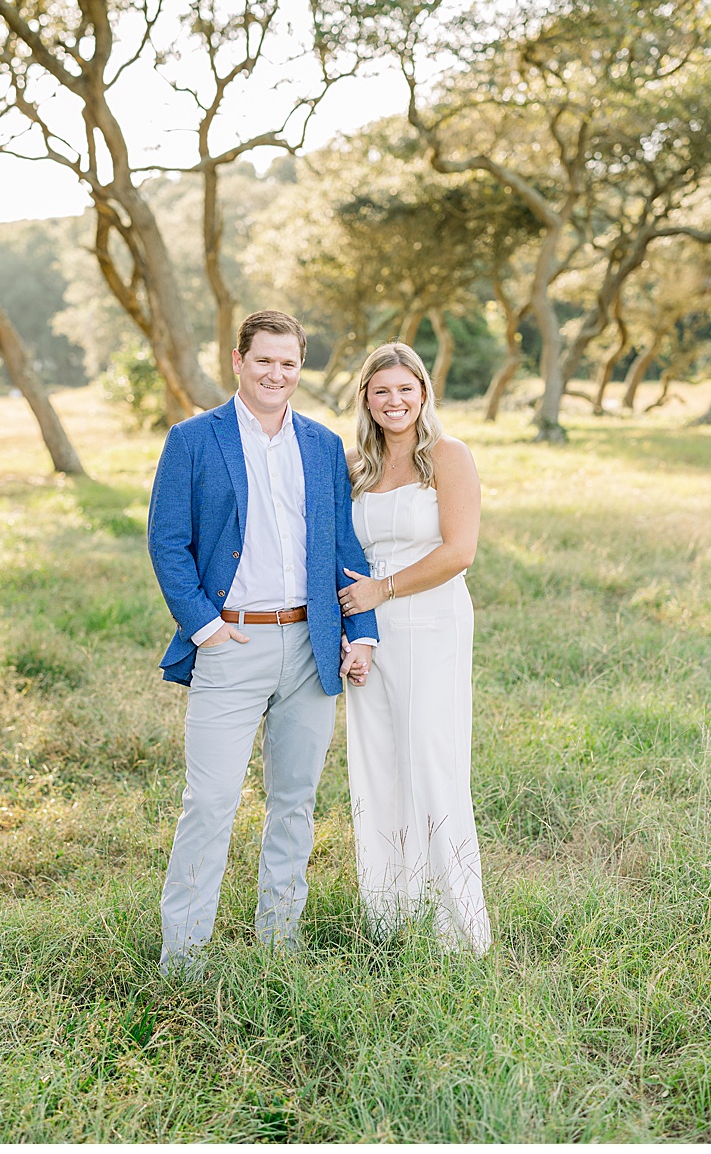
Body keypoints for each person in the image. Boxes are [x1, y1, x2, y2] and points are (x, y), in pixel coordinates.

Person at [147, 310, 378, 973]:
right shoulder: (193, 440)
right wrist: (206, 628)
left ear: (301, 368)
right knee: (211, 802)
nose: (277, 374)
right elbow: (169, 542)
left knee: (294, 802)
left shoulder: (322, 444)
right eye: (265, 360)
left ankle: (280, 941)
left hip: (311, 646)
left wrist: (360, 632)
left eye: (290, 363)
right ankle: (183, 959)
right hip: (231, 644)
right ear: (237, 361)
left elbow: (341, 546)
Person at [337, 341, 491, 954]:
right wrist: (359, 628)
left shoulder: (447, 457)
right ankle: (392, 916)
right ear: (367, 401)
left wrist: (384, 589)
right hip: (371, 637)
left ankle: (456, 927)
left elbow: (460, 552)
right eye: (382, 392)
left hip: (432, 624)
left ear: (423, 393)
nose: (394, 401)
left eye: (406, 389)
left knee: (431, 760)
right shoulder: (358, 467)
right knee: (377, 764)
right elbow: (343, 556)